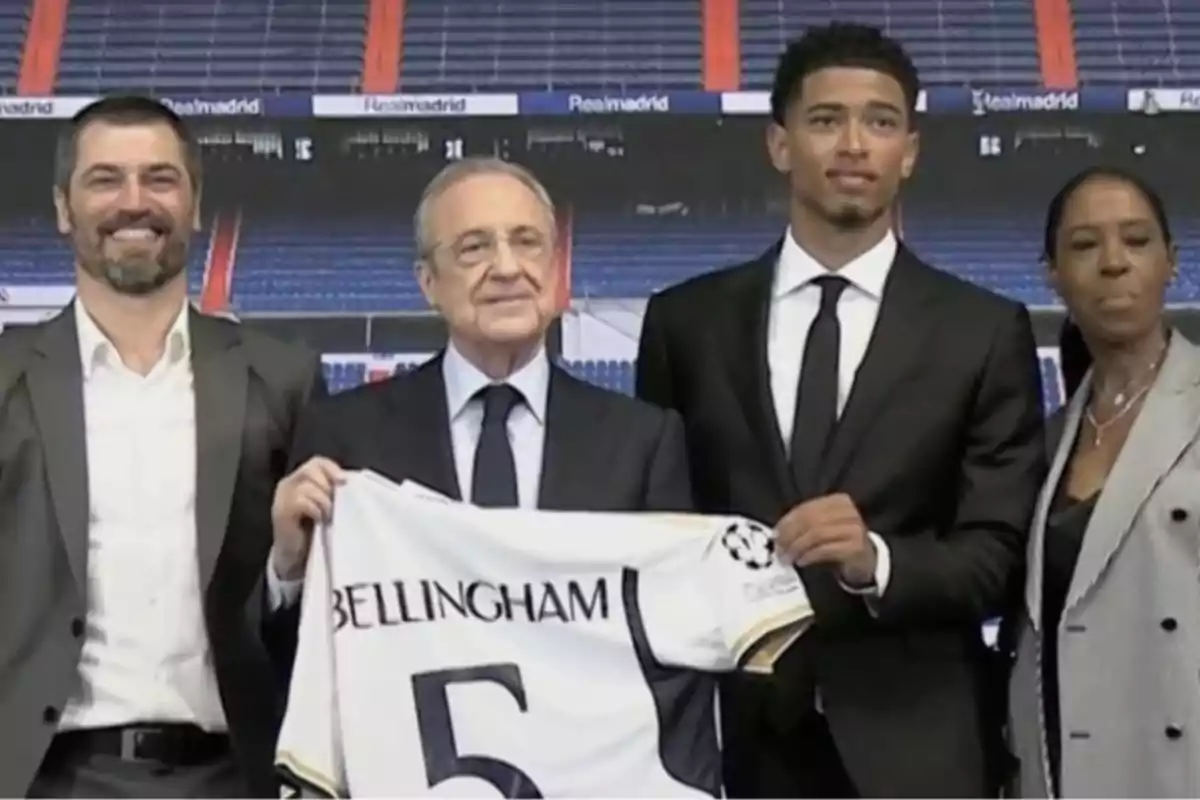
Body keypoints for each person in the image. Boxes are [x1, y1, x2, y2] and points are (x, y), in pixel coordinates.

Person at [635, 23, 1047, 798]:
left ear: (911, 151)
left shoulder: (984, 331)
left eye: (880, 121)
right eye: (826, 120)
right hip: (728, 748)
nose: (854, 143)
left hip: (917, 749)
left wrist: (876, 561)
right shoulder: (684, 323)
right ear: (780, 143)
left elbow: (997, 555)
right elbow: (656, 532)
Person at [0, 96, 326, 798]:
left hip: (235, 772)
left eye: (160, 178)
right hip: (42, 776)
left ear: (195, 203)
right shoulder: (4, 377)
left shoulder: (283, 377)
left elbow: (317, 608)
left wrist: (288, 570)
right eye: (105, 179)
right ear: (63, 207)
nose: (133, 201)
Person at [271, 158, 692, 585]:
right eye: (474, 248)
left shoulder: (643, 443)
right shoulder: (342, 438)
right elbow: (298, 642)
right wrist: (289, 567)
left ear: (556, 265)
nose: (507, 268)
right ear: (428, 283)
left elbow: (677, 614)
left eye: (527, 242)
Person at [1007, 167, 1200, 798]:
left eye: (1137, 241)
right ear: (1052, 274)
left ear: (1171, 262)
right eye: (1085, 245)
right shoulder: (1051, 437)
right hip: (1066, 768)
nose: (1114, 263)